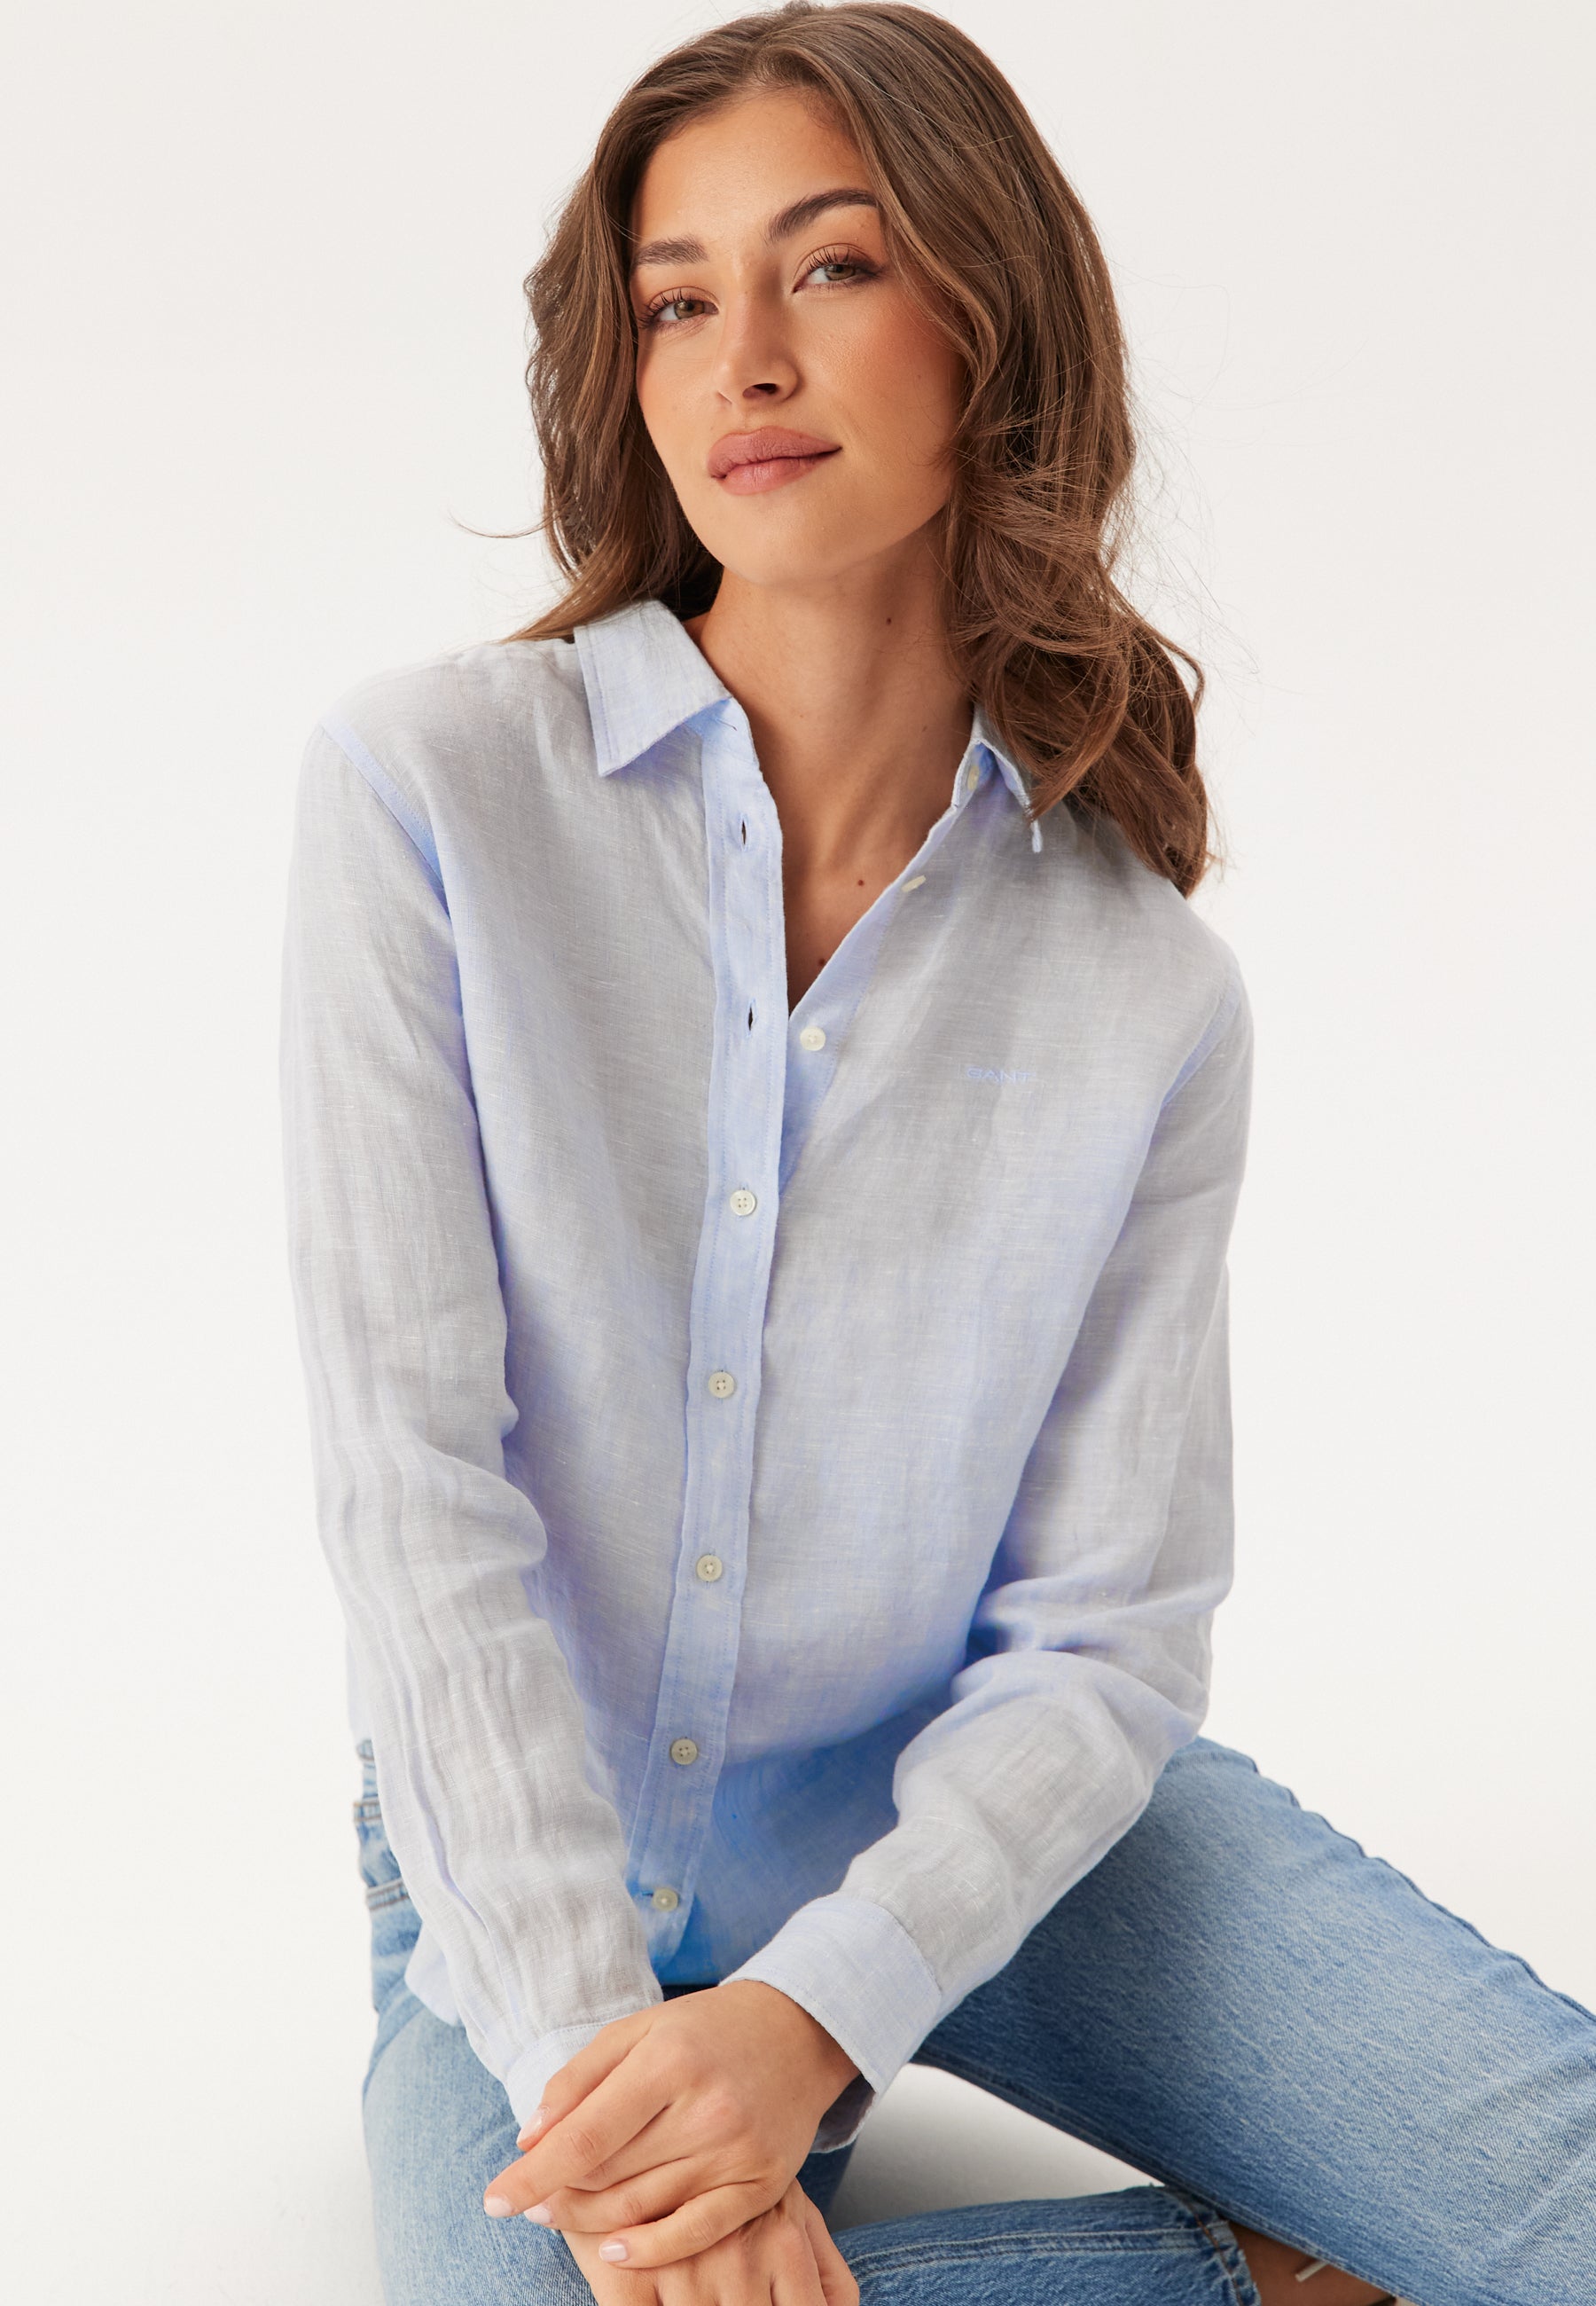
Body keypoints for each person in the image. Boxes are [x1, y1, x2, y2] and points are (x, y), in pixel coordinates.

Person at [278, 7, 1596, 2303]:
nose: (743, 359)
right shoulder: (429, 798)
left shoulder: (1143, 991)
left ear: (991, 321)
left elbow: (1104, 1641)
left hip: (985, 1833)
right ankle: (1278, 2274)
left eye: (833, 266)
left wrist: (815, 2018)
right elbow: (416, 1497)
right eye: (676, 299)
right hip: (528, 1869)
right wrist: (621, 2077)